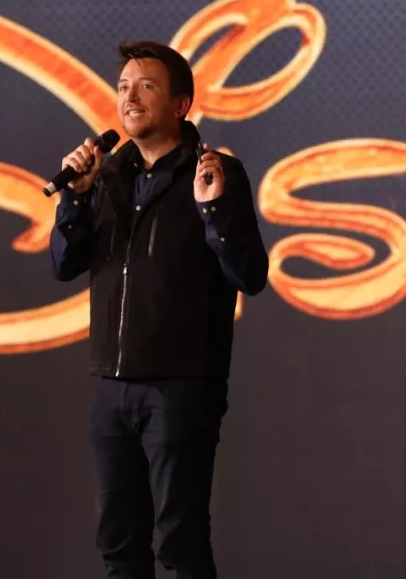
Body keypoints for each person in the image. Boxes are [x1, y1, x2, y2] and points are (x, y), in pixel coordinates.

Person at [50, 41, 269, 578]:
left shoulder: (216, 172)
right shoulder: (107, 176)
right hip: (112, 387)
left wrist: (212, 210)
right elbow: (64, 264)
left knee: (180, 543)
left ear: (180, 104)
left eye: (146, 87)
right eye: (123, 87)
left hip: (180, 388)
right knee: (118, 546)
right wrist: (75, 198)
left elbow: (249, 275)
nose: (129, 98)